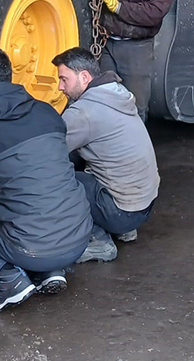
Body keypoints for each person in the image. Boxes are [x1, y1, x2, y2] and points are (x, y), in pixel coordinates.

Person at [0, 48, 92, 312]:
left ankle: (8, 279)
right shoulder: (47, 113)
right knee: (43, 192)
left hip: (34, 246)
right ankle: (50, 271)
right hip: (78, 237)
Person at [52, 47, 160, 262]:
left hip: (122, 212)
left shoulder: (84, 111)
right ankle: (124, 229)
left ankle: (99, 240)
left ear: (84, 76)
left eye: (64, 79)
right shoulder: (116, 93)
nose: (59, 87)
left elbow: (48, 153)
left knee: (57, 179)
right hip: (144, 205)